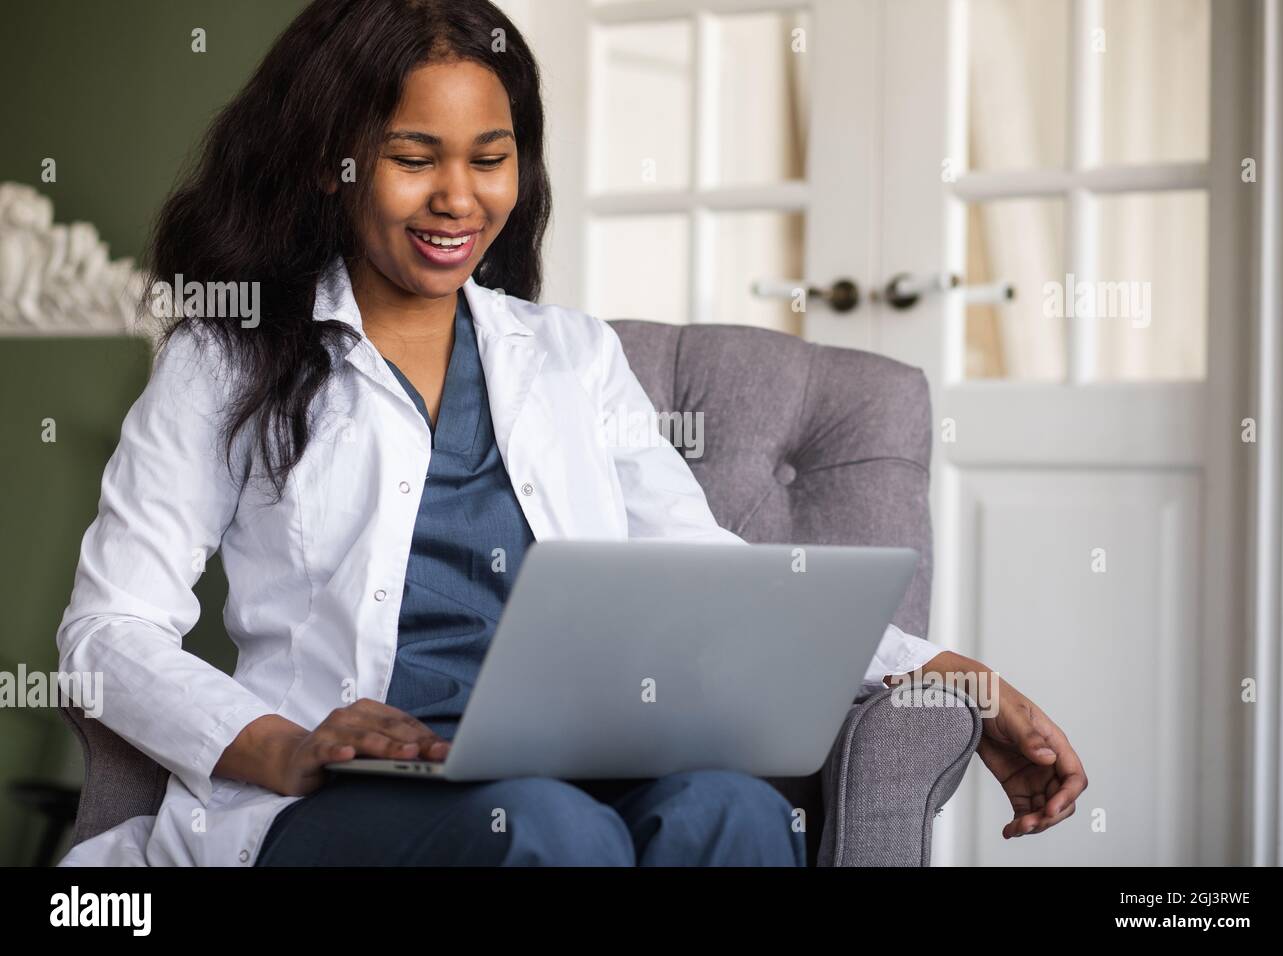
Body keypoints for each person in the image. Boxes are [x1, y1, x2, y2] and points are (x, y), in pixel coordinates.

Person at [54, 0, 1086, 867]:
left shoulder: (572, 356)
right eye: (414, 158)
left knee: (731, 808)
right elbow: (108, 629)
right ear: (335, 164)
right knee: (548, 829)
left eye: (488, 158)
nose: (458, 197)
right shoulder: (228, 358)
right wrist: (280, 743)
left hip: (577, 765)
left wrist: (946, 669)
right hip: (336, 797)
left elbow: (706, 572)